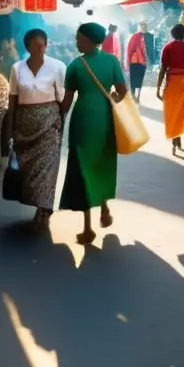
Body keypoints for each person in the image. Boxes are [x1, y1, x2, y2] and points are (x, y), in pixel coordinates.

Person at [61, 22, 129, 245]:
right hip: (105, 121)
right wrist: (111, 102)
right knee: (102, 163)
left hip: (82, 123)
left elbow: (66, 103)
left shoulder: (75, 66)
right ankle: (105, 209)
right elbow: (123, 92)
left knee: (83, 169)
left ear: (90, 39)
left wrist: (53, 117)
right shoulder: (111, 61)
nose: (76, 42)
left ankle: (87, 228)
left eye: (79, 38)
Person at [7, 29, 67, 228]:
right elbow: (13, 101)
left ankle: (44, 208)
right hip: (24, 128)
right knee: (29, 171)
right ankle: (39, 204)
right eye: (37, 44)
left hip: (49, 125)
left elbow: (62, 99)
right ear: (28, 47)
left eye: (43, 44)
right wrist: (11, 130)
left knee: (47, 168)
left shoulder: (57, 67)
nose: (42, 47)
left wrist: (59, 121)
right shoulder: (17, 69)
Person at [157, 24, 184, 155]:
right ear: (183, 35)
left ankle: (175, 136)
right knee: (181, 110)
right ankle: (177, 135)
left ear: (172, 35)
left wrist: (158, 87)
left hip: (172, 81)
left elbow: (163, 68)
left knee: (171, 109)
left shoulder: (167, 48)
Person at [125, 24, 149, 101]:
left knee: (135, 80)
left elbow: (130, 49)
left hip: (136, 62)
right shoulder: (140, 36)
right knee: (138, 80)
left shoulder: (137, 36)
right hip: (138, 62)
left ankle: (135, 96)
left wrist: (128, 61)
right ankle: (135, 96)